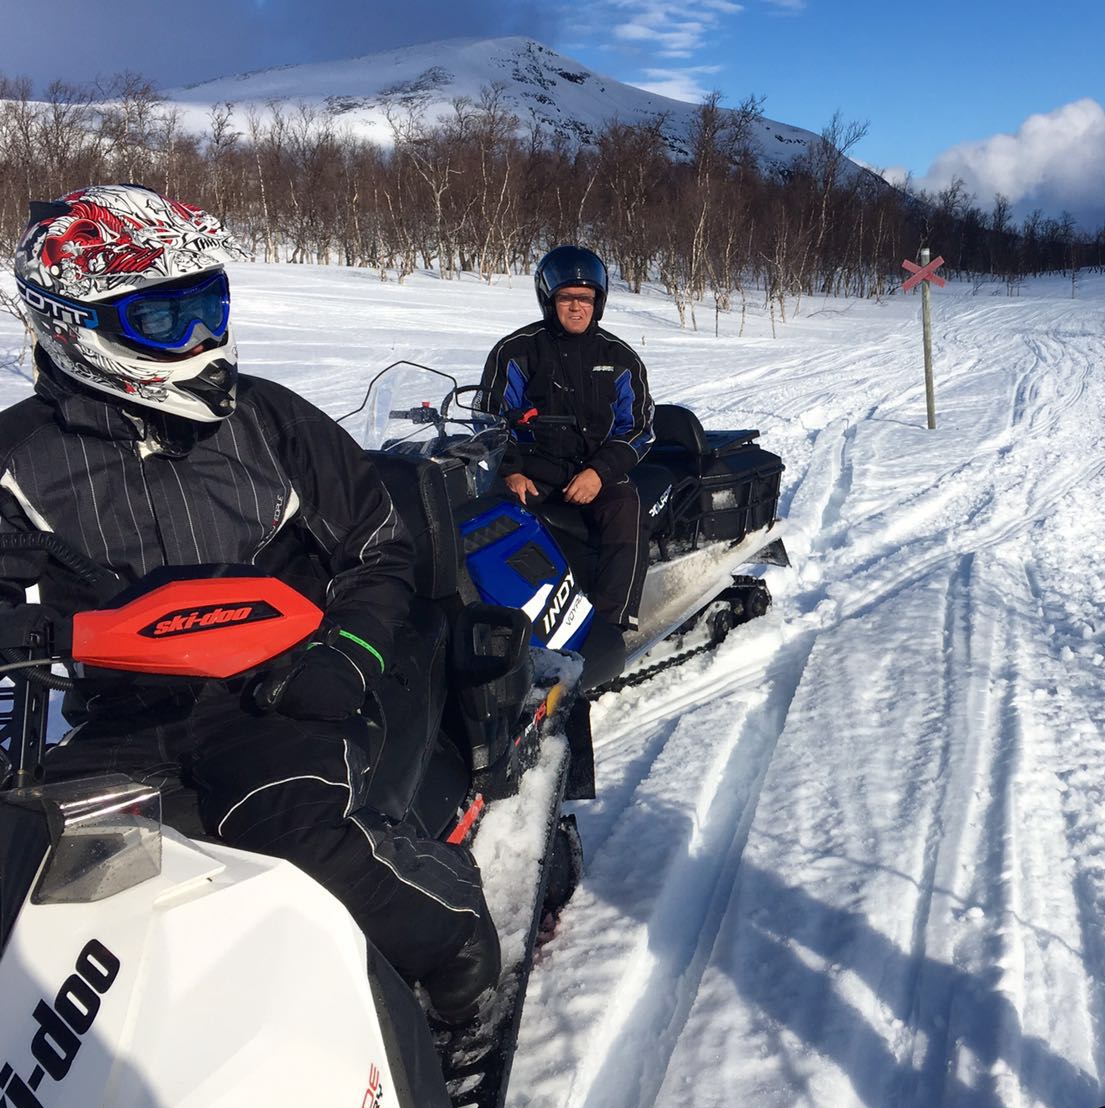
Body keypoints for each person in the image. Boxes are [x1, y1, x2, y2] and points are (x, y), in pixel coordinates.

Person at [2, 183, 498, 1024]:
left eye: (209, 307)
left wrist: (346, 656)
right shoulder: (20, 458)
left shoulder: (267, 420)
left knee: (295, 836)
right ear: (73, 327)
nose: (203, 341)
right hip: (123, 712)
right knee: (39, 882)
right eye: (166, 320)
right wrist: (32, 630)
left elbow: (380, 547)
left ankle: (457, 943)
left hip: (277, 688)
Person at [477, 245, 654, 635]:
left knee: (626, 507)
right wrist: (510, 470)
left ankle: (611, 627)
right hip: (533, 472)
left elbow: (639, 428)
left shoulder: (620, 358)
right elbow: (489, 417)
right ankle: (503, 621)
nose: (576, 307)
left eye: (585, 298)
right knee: (485, 515)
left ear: (598, 302)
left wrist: (599, 472)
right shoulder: (516, 351)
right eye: (566, 297)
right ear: (549, 300)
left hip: (596, 472)